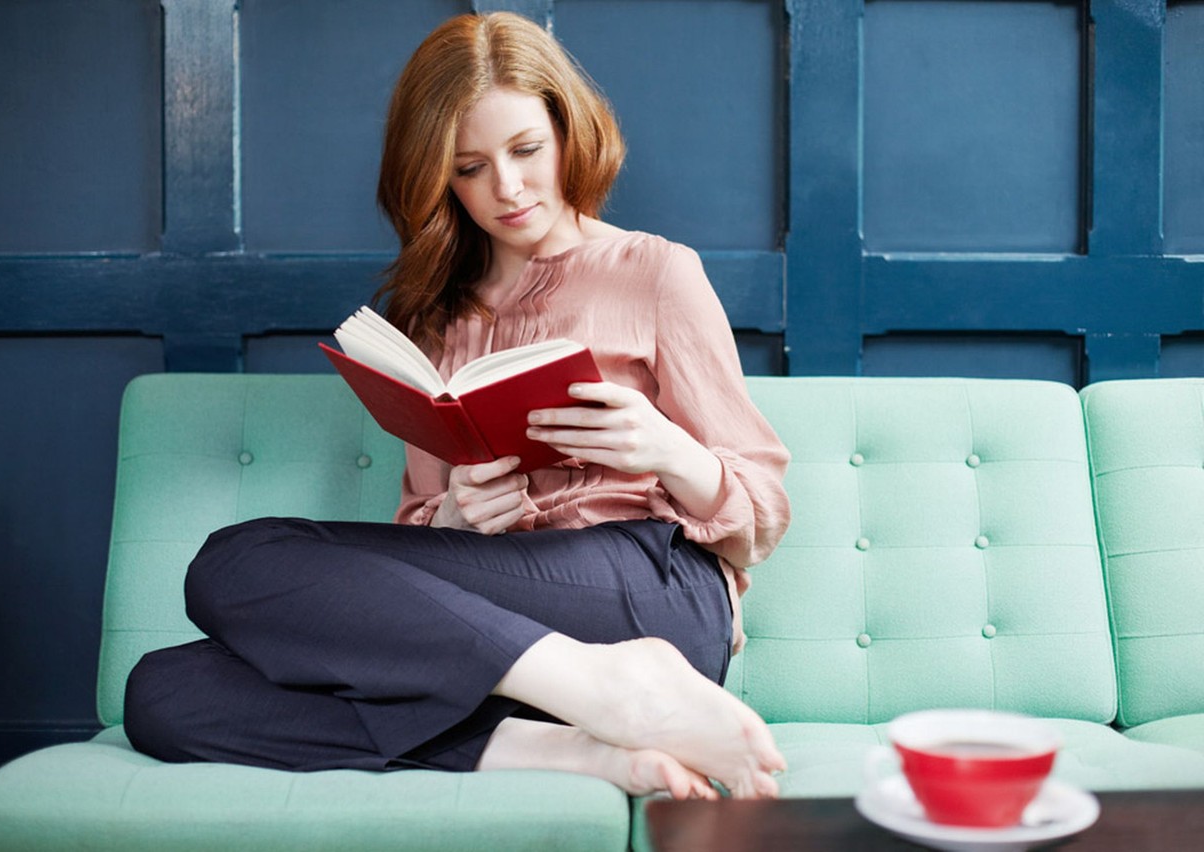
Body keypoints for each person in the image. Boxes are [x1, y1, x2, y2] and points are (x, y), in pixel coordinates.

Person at [124, 11, 792, 801]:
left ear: (567, 132)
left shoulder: (655, 273)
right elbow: (414, 547)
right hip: (493, 619)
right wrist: (454, 521)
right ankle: (584, 745)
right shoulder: (434, 317)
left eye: (526, 151)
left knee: (235, 559)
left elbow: (764, 514)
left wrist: (666, 449)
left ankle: (623, 681)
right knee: (163, 693)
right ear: (437, 176)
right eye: (470, 168)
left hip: (644, 587)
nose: (506, 189)